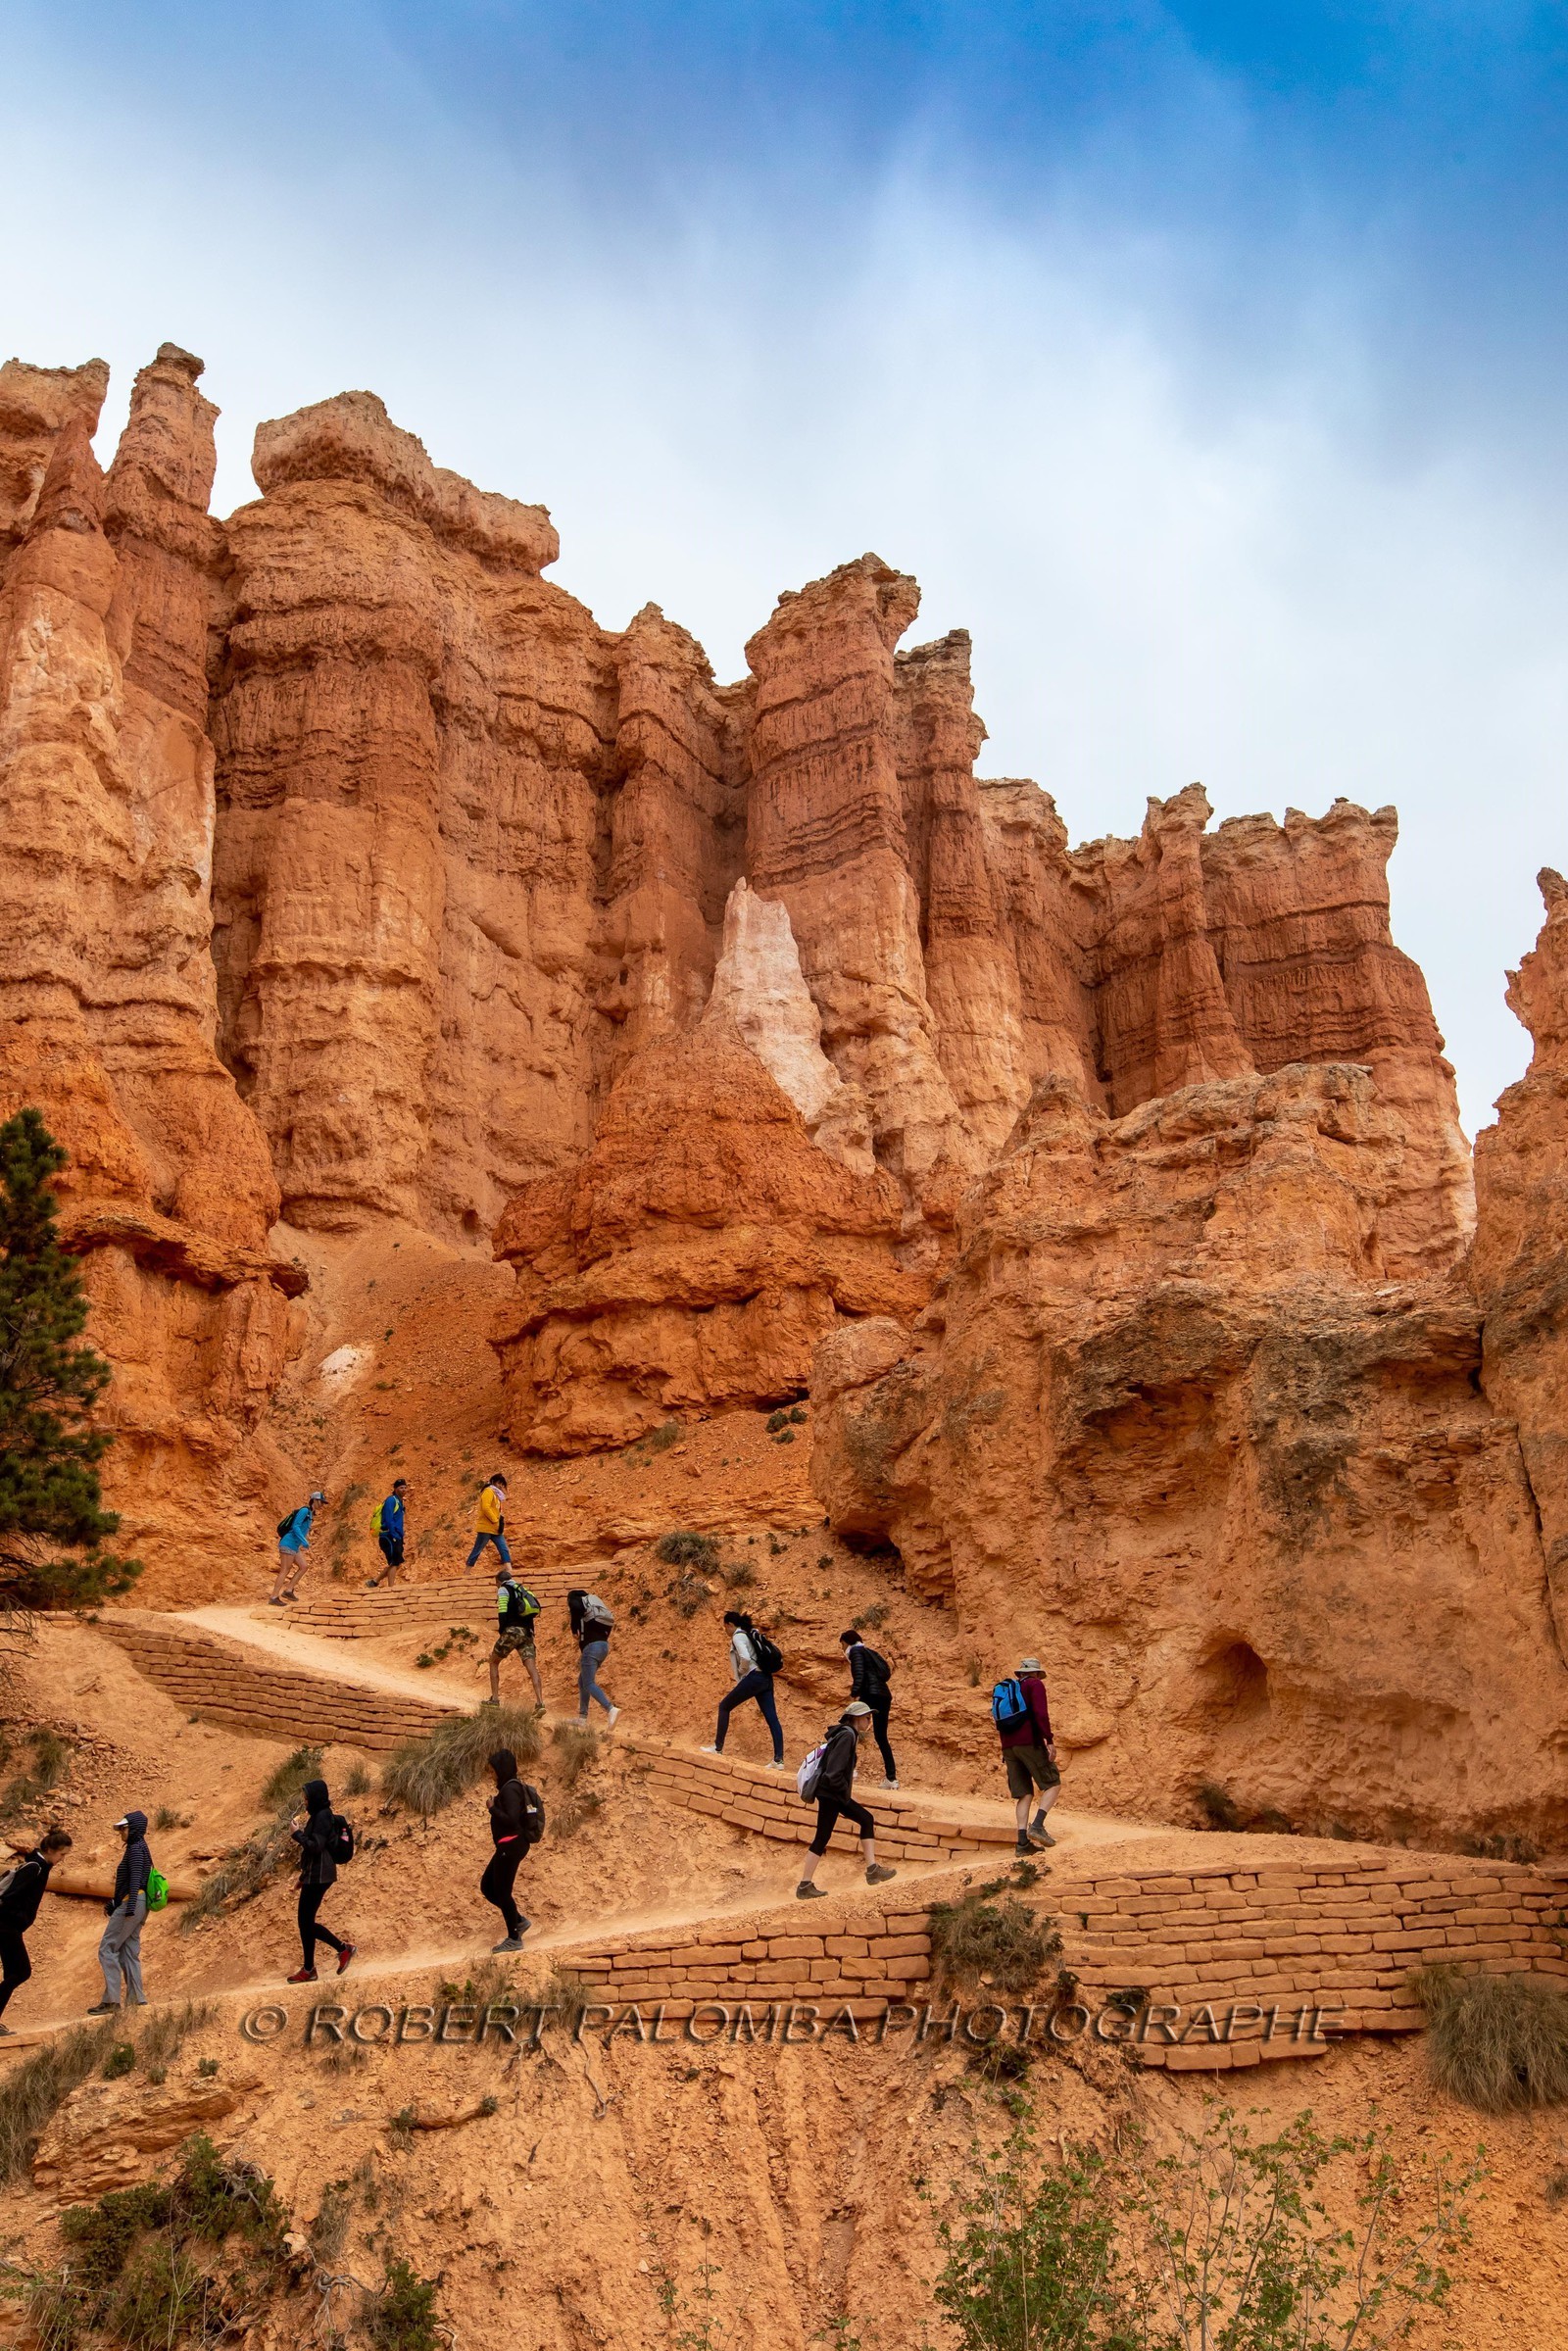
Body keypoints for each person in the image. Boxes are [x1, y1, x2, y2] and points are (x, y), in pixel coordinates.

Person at [796, 1702, 897, 1899]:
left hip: (831, 1793)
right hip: (832, 1793)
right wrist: (842, 1792)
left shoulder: (845, 1734)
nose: (869, 1721)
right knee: (851, 1825)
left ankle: (871, 1869)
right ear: (856, 1718)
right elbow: (834, 1771)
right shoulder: (848, 1735)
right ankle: (805, 1885)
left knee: (847, 1827)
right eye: (867, 1718)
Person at [0, 1827, 73, 2033]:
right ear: (50, 1850)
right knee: (21, 1972)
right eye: (62, 1854)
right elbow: (9, 1897)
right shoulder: (35, 1868)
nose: (62, 1859)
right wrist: (18, 1918)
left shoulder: (40, 1865)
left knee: (14, 1973)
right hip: (7, 1927)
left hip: (10, 1928)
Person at [286, 1779, 356, 1984]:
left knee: (305, 1922)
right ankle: (310, 1968)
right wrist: (302, 1877)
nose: (305, 1801)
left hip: (320, 1874)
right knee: (305, 1922)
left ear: (315, 1797)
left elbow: (315, 1847)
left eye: (307, 1797)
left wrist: (296, 1834)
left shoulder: (323, 1816)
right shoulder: (318, 1815)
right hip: (315, 1874)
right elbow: (315, 1851)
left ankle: (343, 1950)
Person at [995, 1656, 1061, 1854]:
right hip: (1029, 1743)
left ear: (1020, 1673)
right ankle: (1038, 1825)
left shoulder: (1009, 1690)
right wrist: (1048, 1740)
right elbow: (1041, 1714)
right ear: (1035, 1673)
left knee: (1024, 1794)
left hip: (1008, 1747)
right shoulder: (1035, 1685)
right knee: (1053, 1783)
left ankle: (1022, 1844)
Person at [89, 1811, 153, 2012]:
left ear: (134, 1829)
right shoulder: (142, 1847)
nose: (121, 1832)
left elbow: (134, 1879)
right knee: (128, 1951)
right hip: (140, 1903)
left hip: (132, 1902)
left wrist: (128, 1906)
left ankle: (111, 2002)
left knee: (107, 1948)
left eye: (124, 1828)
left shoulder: (134, 1848)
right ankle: (136, 1999)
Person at [702, 1610, 784, 1767]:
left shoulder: (738, 1636)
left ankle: (718, 1748)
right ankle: (778, 1760)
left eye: (725, 1627)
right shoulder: (749, 1633)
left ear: (730, 1625)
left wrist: (741, 1672)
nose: (725, 1630)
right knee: (772, 1718)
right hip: (766, 1678)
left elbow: (745, 1657)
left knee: (724, 1706)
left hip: (754, 1678)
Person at [481, 1747, 539, 1952]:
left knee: (503, 1893)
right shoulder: (508, 1788)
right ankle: (518, 1921)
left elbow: (511, 1819)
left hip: (512, 1844)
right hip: (507, 1845)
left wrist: (492, 1807)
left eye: (493, 1770)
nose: (491, 1774)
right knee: (487, 1886)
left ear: (501, 1769)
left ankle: (514, 1937)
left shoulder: (510, 1789)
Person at [840, 1628, 898, 1788]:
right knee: (881, 1737)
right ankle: (891, 1779)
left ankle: (849, 1770)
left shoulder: (855, 1652)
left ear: (846, 1642)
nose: (842, 1649)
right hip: (884, 1695)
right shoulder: (869, 1652)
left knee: (850, 1730)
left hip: (869, 1695)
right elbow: (885, 1674)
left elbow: (859, 1674)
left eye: (842, 1645)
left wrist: (854, 1694)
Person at [488, 1566, 545, 1712]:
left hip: (512, 1630)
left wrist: (502, 1631)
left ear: (499, 1581)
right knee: (532, 1668)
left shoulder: (503, 1589)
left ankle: (494, 1699)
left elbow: (502, 1611)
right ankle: (540, 1703)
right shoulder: (524, 1590)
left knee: (493, 1661)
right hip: (527, 1633)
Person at [566, 1588, 619, 1728]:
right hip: (603, 1647)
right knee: (582, 1680)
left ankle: (610, 1709)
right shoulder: (594, 1605)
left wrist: (574, 1629)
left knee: (588, 1683)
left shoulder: (577, 1602)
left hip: (591, 1648)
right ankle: (582, 1718)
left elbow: (574, 1608)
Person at [270, 1492, 325, 1604]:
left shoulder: (310, 1514)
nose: (322, 1505)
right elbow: (295, 1526)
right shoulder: (305, 1511)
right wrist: (304, 1541)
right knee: (285, 1569)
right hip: (288, 1543)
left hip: (294, 1546)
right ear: (315, 1500)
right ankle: (274, 1597)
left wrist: (303, 1541)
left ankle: (288, 1590)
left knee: (303, 1566)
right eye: (321, 1502)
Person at [367, 1479, 408, 1588]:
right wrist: (394, 1534)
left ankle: (374, 1581)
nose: (403, 1490)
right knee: (394, 1562)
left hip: (396, 1536)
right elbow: (389, 1519)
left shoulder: (399, 1501)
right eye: (401, 1488)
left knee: (396, 1563)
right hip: (389, 1535)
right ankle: (391, 1588)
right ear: (395, 1489)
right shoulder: (391, 1500)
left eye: (405, 1487)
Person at [466, 1474, 511, 1568]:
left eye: (502, 1484)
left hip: (496, 1529)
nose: (500, 1485)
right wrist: (494, 1520)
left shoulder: (496, 1495)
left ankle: (509, 1570)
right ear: (493, 1481)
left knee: (503, 1549)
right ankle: (467, 1572)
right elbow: (486, 1508)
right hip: (486, 1527)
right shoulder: (489, 1491)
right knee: (477, 1549)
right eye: (499, 1483)